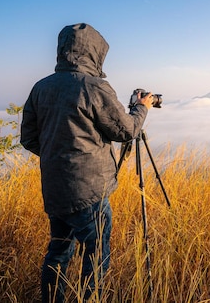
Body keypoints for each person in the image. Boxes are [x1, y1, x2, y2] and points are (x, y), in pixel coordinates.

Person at [21, 23, 154, 303]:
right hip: (90, 192)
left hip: (56, 189)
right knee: (95, 255)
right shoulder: (94, 87)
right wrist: (142, 108)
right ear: (94, 52)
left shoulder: (40, 88)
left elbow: (29, 138)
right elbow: (126, 131)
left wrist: (59, 157)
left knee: (58, 252)